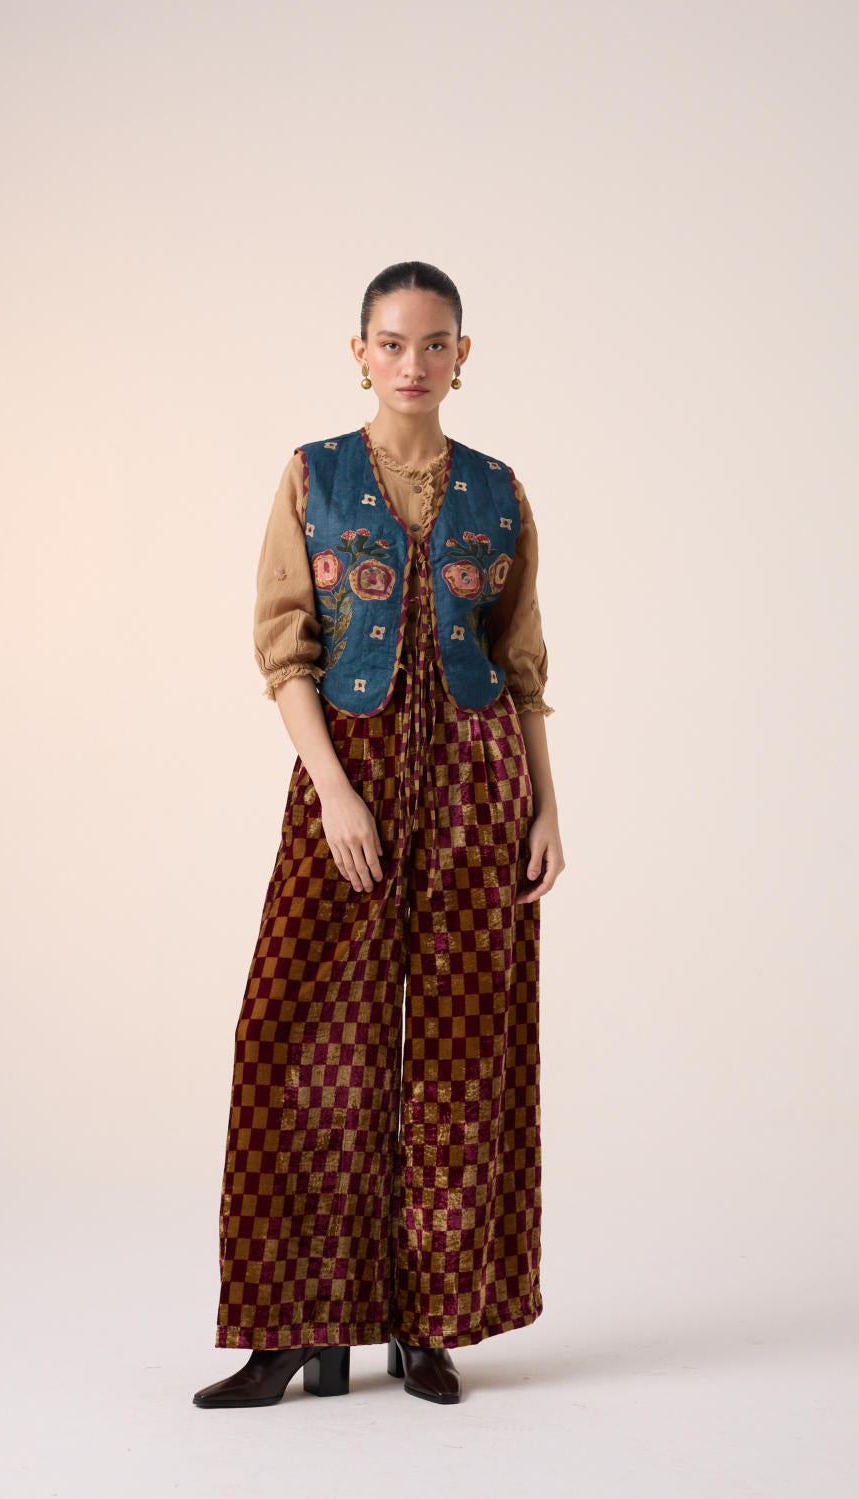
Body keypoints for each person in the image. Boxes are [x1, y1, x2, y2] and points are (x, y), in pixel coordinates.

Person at [193, 260, 565, 1410]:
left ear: (463, 356)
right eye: (392, 342)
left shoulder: (498, 490)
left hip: (477, 787)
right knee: (297, 1036)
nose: (414, 362)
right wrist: (334, 791)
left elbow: (519, 663)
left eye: (434, 342)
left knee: (460, 1053)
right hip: (345, 780)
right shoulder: (314, 476)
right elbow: (284, 648)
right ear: (358, 353)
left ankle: (429, 1321)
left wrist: (547, 807)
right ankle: (292, 1328)